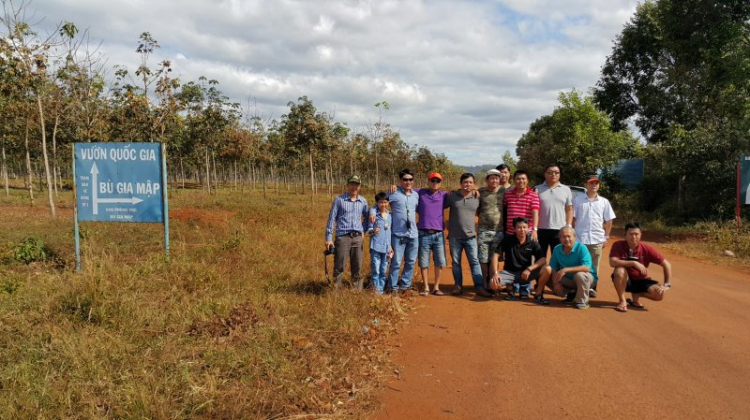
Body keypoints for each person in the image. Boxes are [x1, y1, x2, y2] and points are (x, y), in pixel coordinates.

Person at [609, 222, 672, 312]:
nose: (634, 237)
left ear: (640, 235)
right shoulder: (618, 245)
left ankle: (637, 294)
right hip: (626, 280)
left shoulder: (646, 249)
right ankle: (622, 301)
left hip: (641, 280)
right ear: (625, 235)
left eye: (636, 234)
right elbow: (612, 262)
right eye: (631, 234)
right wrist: (633, 263)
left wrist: (667, 285)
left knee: (659, 295)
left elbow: (667, 264)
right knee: (619, 271)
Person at [445, 173, 491, 297]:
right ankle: (458, 286)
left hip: (470, 236)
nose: (468, 184)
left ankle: (479, 287)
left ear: (474, 184)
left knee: (474, 262)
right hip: (455, 236)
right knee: (456, 263)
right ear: (461, 183)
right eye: (465, 182)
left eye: (470, 182)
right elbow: (439, 206)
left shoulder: (477, 197)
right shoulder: (452, 196)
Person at [488, 217, 551, 305]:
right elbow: (495, 255)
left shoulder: (532, 241)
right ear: (514, 229)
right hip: (510, 273)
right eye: (519, 227)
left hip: (526, 274)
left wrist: (529, 269)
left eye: (524, 227)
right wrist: (495, 273)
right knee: (492, 284)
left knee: (547, 269)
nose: (522, 230)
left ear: (528, 228)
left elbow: (543, 259)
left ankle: (538, 294)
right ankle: (510, 288)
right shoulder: (508, 240)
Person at [377, 169, 419, 294]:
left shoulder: (416, 195)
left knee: (411, 262)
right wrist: (374, 213)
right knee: (396, 262)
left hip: (413, 234)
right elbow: (379, 202)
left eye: (410, 179)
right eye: (405, 179)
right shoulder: (392, 193)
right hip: (398, 235)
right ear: (400, 181)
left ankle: (405, 286)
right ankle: (392, 287)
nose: (408, 182)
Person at [572, 174, 615, 297]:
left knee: (594, 266)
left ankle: (591, 288)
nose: (594, 185)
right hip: (580, 239)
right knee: (579, 264)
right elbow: (573, 219)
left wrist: (606, 237)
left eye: (596, 183)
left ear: (599, 185)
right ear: (586, 185)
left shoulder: (604, 202)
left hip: (597, 239)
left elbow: (609, 221)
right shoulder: (577, 200)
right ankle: (577, 287)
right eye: (591, 183)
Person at [324, 176, 370, 289]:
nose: (354, 187)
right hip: (343, 237)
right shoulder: (339, 200)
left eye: (357, 184)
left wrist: (363, 230)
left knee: (357, 265)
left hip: (357, 238)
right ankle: (335, 289)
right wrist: (329, 238)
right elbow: (332, 218)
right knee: (339, 265)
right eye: (352, 184)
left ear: (359, 186)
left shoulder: (363, 201)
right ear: (348, 185)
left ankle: (356, 289)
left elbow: (367, 217)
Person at [414, 172, 449, 296]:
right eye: (432, 181)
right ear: (428, 182)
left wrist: (475, 192)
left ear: (441, 183)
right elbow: (405, 188)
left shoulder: (445, 195)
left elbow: (460, 194)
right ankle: (426, 287)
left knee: (439, 261)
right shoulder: (419, 192)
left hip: (438, 234)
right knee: (424, 262)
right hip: (423, 233)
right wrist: (394, 187)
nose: (435, 183)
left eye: (437, 181)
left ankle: (436, 287)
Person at [548, 226, 595, 309]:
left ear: (575, 237)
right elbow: (554, 268)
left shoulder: (581, 248)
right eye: (563, 237)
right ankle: (571, 293)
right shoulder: (557, 249)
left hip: (587, 279)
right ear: (560, 238)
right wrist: (556, 283)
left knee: (580, 275)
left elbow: (587, 268)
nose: (566, 239)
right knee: (547, 274)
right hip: (569, 280)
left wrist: (566, 269)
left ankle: (582, 301)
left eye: (569, 236)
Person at [477, 169, 506, 290]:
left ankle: (493, 283)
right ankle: (484, 283)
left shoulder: (504, 191)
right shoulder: (480, 192)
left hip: (499, 231)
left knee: (495, 259)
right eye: (492, 178)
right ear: (487, 179)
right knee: (483, 260)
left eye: (497, 178)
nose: (494, 180)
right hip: (483, 231)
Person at [536, 164, 573, 258]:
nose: (553, 175)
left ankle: (556, 273)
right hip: (541, 229)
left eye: (556, 172)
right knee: (540, 257)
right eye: (550, 172)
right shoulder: (537, 189)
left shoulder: (566, 189)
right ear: (545, 174)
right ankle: (540, 273)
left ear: (559, 174)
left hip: (559, 230)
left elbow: (569, 209)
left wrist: (568, 226)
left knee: (559, 258)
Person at [367, 192, 393, 295]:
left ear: (388, 203)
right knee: (376, 270)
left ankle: (381, 290)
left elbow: (390, 232)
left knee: (383, 270)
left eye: (385, 202)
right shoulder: (373, 216)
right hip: (376, 247)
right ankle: (375, 291)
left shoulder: (390, 216)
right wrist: (373, 231)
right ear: (377, 203)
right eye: (381, 202)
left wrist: (390, 246)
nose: (383, 204)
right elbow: (368, 230)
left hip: (386, 248)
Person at [503, 170, 540, 241]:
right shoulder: (508, 195)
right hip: (511, 232)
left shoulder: (533, 195)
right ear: (514, 181)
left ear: (527, 180)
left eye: (523, 179)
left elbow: (535, 213)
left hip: (527, 232)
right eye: (518, 179)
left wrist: (534, 229)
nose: (521, 181)